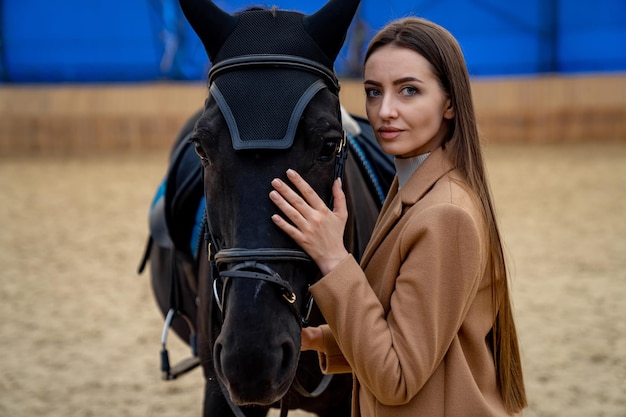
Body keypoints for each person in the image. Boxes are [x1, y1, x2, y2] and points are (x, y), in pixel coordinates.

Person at [269, 16, 527, 417]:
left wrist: (334, 259)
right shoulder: (413, 188)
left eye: (409, 90)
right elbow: (414, 335)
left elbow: (397, 378)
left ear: (450, 102)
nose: (384, 111)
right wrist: (324, 339)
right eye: (374, 92)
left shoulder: (445, 215)